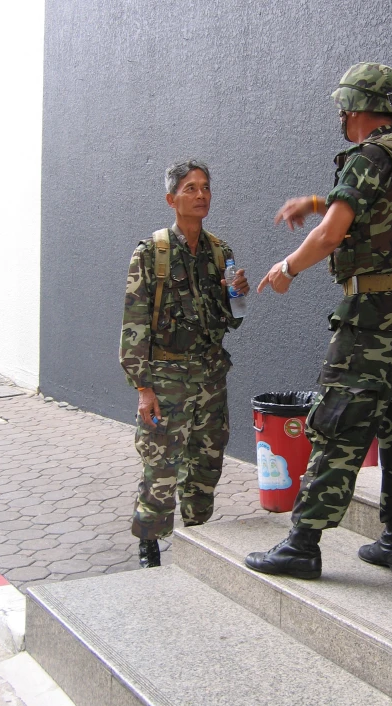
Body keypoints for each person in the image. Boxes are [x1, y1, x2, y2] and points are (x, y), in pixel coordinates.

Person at [245, 63, 392, 580]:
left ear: (356, 108)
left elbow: (334, 234)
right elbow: (388, 216)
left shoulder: (367, 156)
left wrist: (287, 266)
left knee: (337, 422)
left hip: (373, 324)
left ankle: (302, 543)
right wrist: (316, 200)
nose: (340, 113)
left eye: (343, 106)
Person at [120, 160, 249, 568]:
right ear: (171, 198)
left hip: (210, 377)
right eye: (190, 188)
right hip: (166, 380)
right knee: (160, 466)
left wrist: (237, 294)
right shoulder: (151, 253)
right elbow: (134, 325)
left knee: (206, 464)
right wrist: (143, 388)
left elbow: (233, 319)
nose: (200, 195)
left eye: (205, 187)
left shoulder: (219, 252)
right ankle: (150, 544)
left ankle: (200, 540)